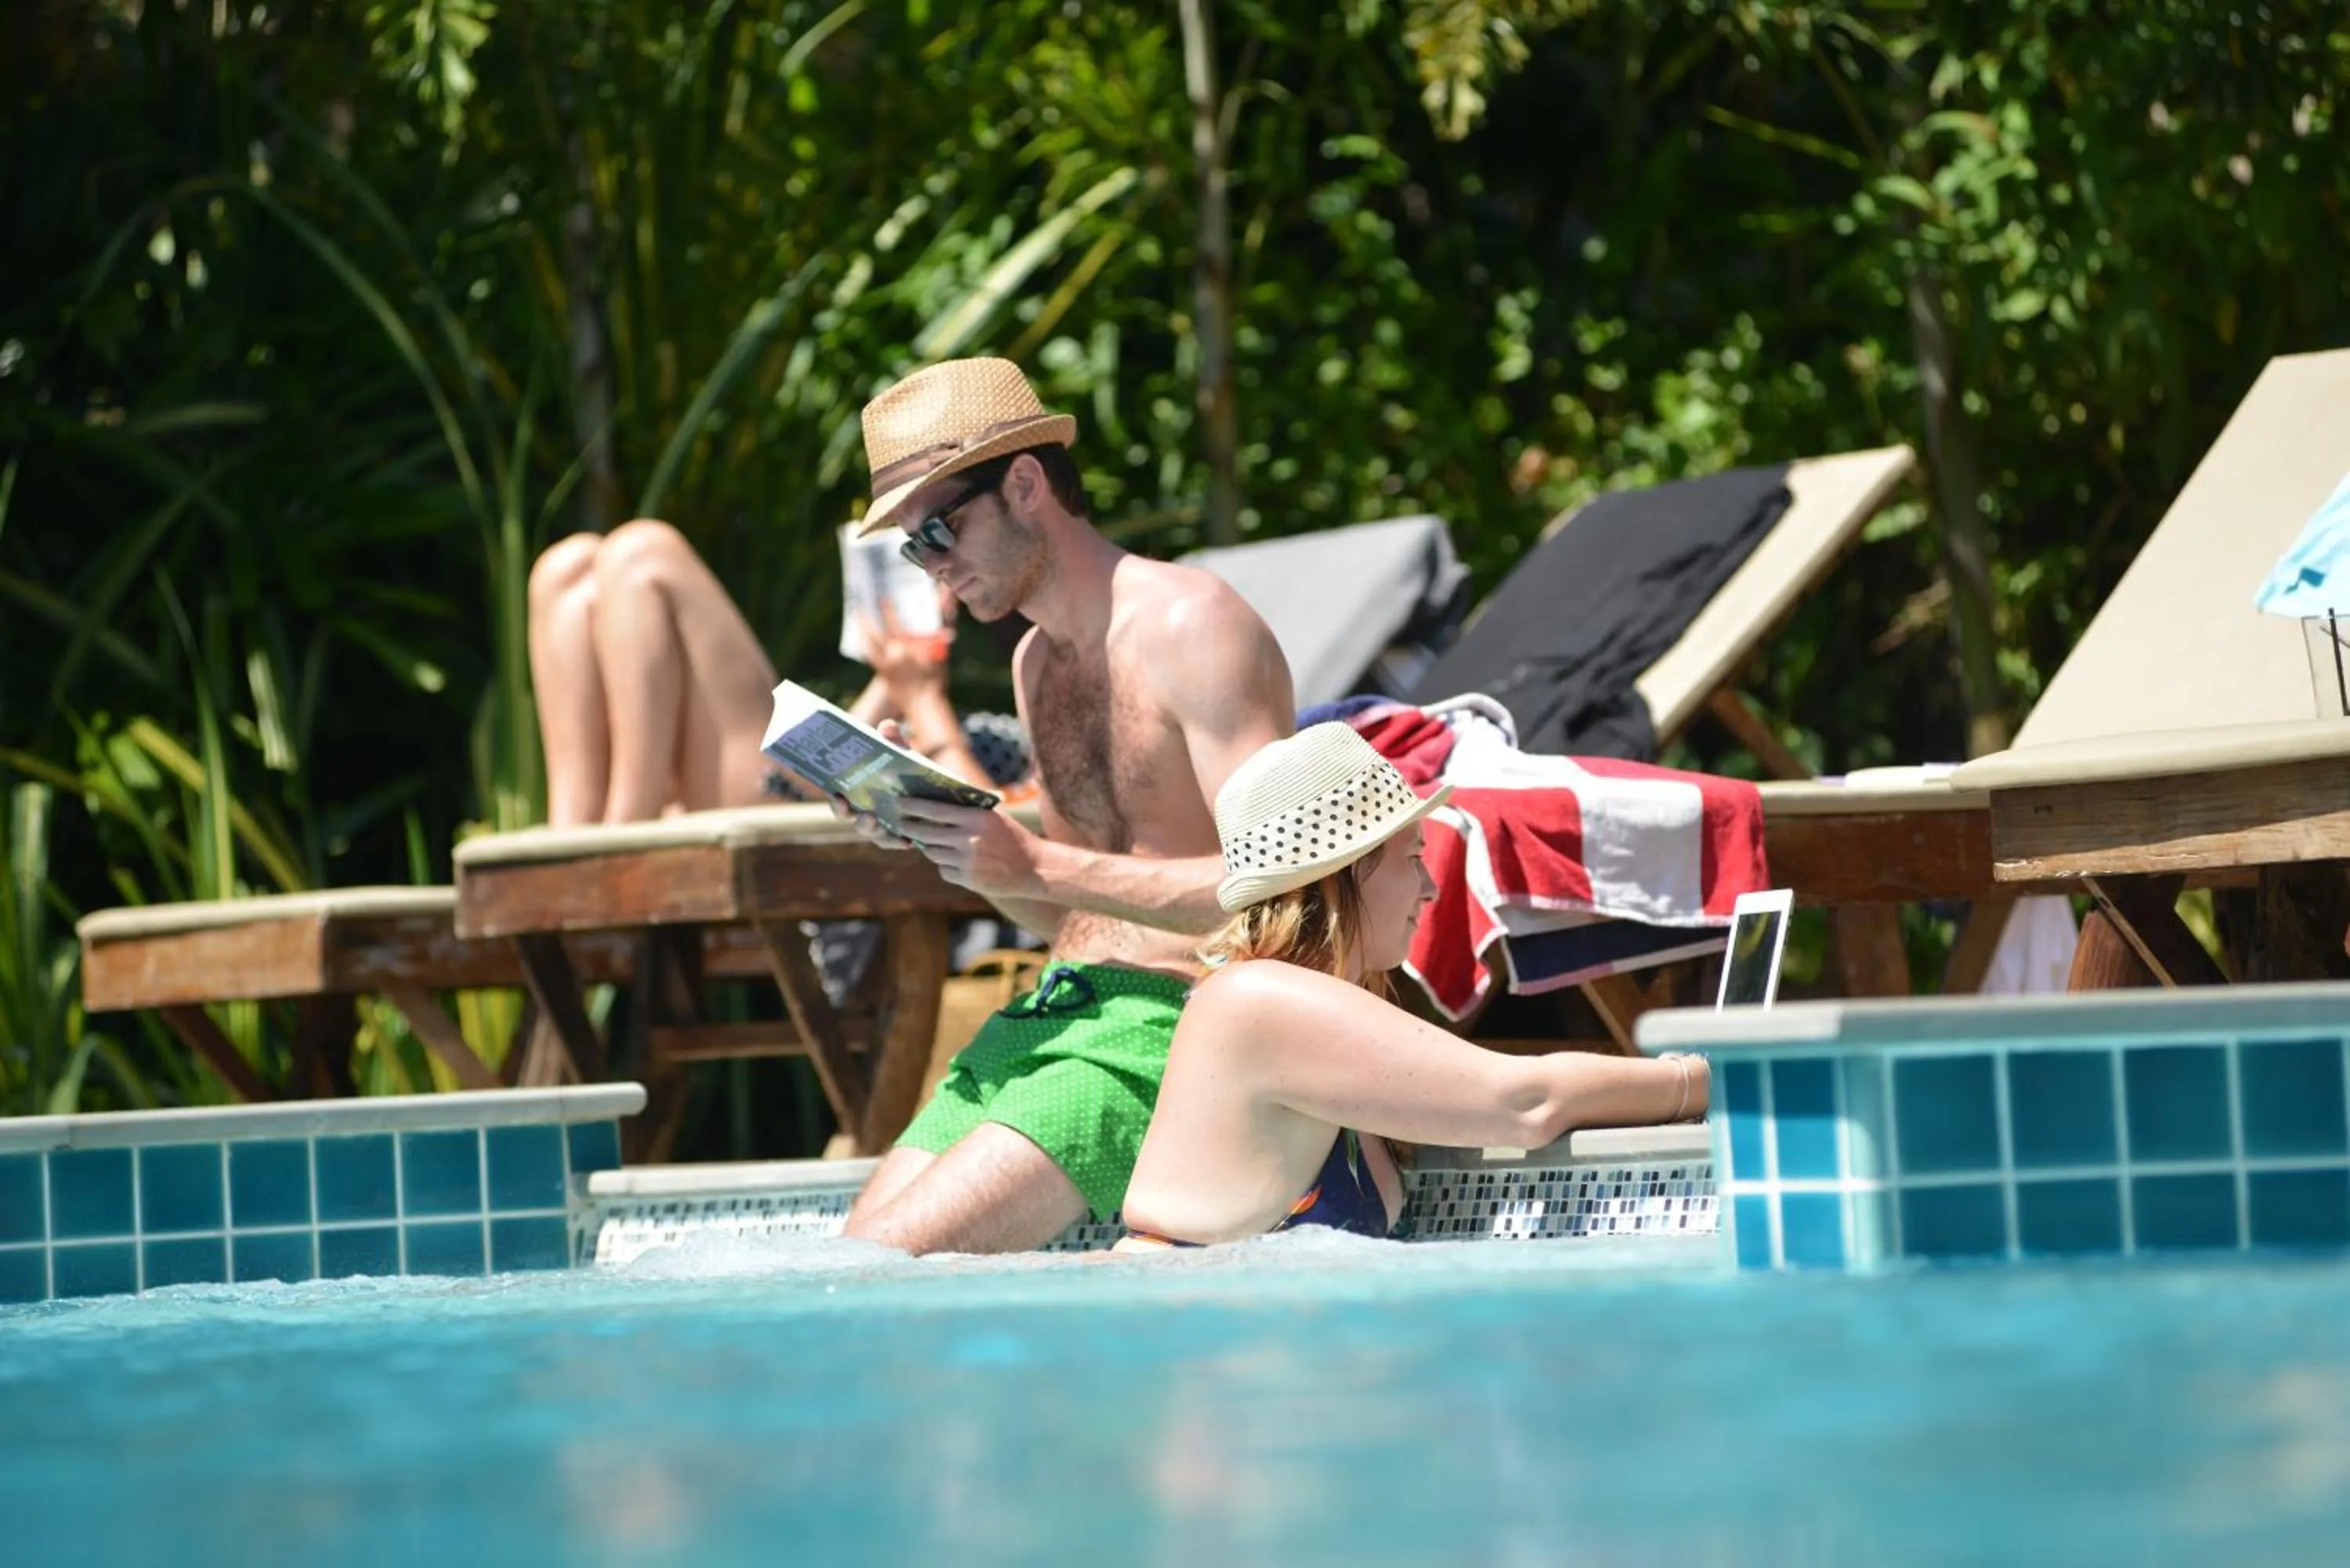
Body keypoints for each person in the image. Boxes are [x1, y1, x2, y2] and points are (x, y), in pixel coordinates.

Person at [832, 356, 1295, 1255]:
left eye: (941, 531)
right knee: (846, 1264)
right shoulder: (1034, 665)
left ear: (1026, 483)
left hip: (1174, 1024)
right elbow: (1075, 913)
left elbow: (1290, 886)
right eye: (913, 548)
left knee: (884, 1275)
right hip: (1055, 1012)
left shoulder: (1191, 624)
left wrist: (1041, 860)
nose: (935, 571)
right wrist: (942, 837)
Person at [1115, 723, 1708, 1248]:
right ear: (1351, 868)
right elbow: (1525, 1102)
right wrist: (1705, 1080)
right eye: (1413, 858)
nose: (1429, 888)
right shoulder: (1256, 1000)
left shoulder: (1297, 1011)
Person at [527, 523, 1001, 826]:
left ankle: (623, 831)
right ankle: (573, 832)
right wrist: (897, 681)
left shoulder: (1035, 741)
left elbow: (1002, 826)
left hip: (801, 807)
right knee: (567, 571)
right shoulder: (1036, 692)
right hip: (815, 787)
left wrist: (922, 697)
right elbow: (845, 764)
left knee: (644, 555)